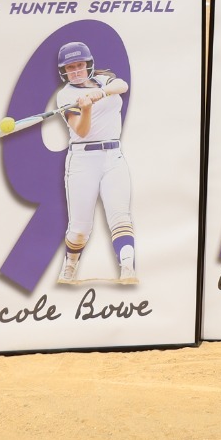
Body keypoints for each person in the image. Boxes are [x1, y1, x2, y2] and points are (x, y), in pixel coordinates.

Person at [48, 41, 140, 287]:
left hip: (113, 156)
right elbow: (82, 130)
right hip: (83, 160)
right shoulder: (65, 95)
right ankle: (70, 265)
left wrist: (100, 92)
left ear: (88, 64)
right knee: (79, 228)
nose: (76, 71)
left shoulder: (104, 79)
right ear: (64, 71)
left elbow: (122, 85)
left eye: (80, 65)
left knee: (120, 217)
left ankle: (128, 267)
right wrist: (86, 108)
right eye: (70, 68)